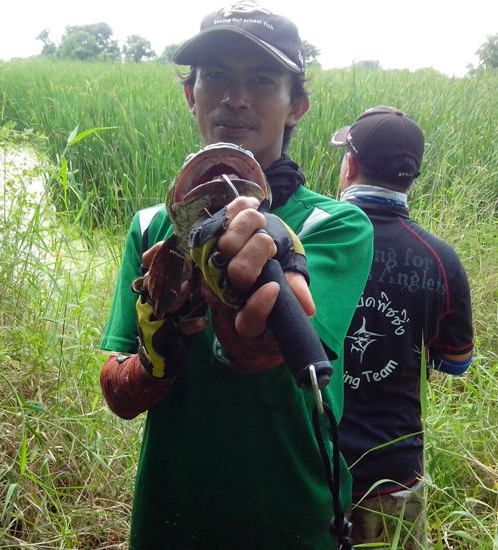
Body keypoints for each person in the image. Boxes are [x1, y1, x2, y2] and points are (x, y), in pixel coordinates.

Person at [99, 3, 373, 549]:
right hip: (169, 518)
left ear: (297, 105)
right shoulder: (152, 227)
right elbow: (121, 397)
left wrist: (254, 289)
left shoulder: (335, 225)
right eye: (216, 76)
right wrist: (158, 355)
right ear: (190, 93)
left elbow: (281, 357)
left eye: (261, 80)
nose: (235, 97)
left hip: (291, 520)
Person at [331, 107, 475, 548]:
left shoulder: (309, 239)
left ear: (350, 165)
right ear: (410, 176)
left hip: (307, 467)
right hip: (393, 474)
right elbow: (455, 363)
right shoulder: (440, 258)